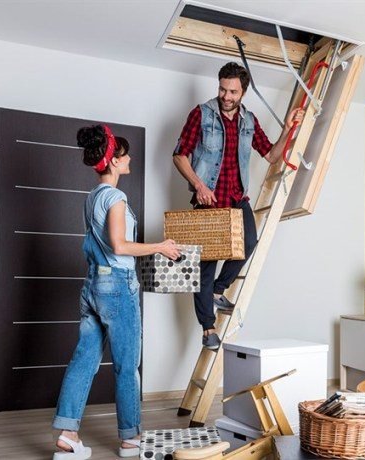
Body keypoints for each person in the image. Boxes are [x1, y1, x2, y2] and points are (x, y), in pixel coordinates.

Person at [52, 124, 181, 460]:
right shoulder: (116, 197)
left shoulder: (91, 197)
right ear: (113, 162)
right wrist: (160, 247)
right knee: (126, 365)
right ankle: (130, 440)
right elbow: (120, 245)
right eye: (124, 155)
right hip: (117, 288)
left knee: (84, 360)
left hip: (93, 284)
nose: (129, 159)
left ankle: (68, 436)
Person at [172, 62, 304, 350]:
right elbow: (180, 156)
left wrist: (290, 127)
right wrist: (199, 185)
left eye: (232, 91)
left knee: (249, 241)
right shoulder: (201, 114)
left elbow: (270, 155)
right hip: (209, 201)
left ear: (243, 91)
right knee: (205, 266)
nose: (226, 95)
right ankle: (208, 330)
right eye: (222, 88)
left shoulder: (249, 121)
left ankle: (219, 291)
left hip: (236, 199)